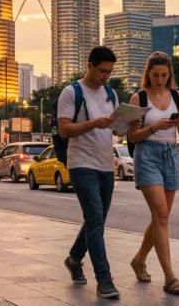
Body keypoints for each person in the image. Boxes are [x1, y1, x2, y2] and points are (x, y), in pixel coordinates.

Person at [57, 46, 139, 300]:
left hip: (106, 164)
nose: (105, 76)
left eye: (110, 72)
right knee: (94, 217)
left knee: (98, 220)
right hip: (81, 163)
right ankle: (104, 279)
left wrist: (129, 123)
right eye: (102, 71)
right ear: (90, 65)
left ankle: (73, 259)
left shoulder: (110, 93)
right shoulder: (72, 92)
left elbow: (116, 131)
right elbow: (64, 130)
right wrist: (93, 122)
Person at [126, 52, 179, 296]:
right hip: (148, 155)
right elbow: (132, 136)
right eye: (155, 75)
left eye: (164, 75)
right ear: (148, 74)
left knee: (161, 217)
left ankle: (139, 259)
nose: (160, 80)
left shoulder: (177, 96)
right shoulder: (138, 98)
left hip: (171, 154)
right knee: (161, 215)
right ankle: (170, 278)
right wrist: (154, 127)